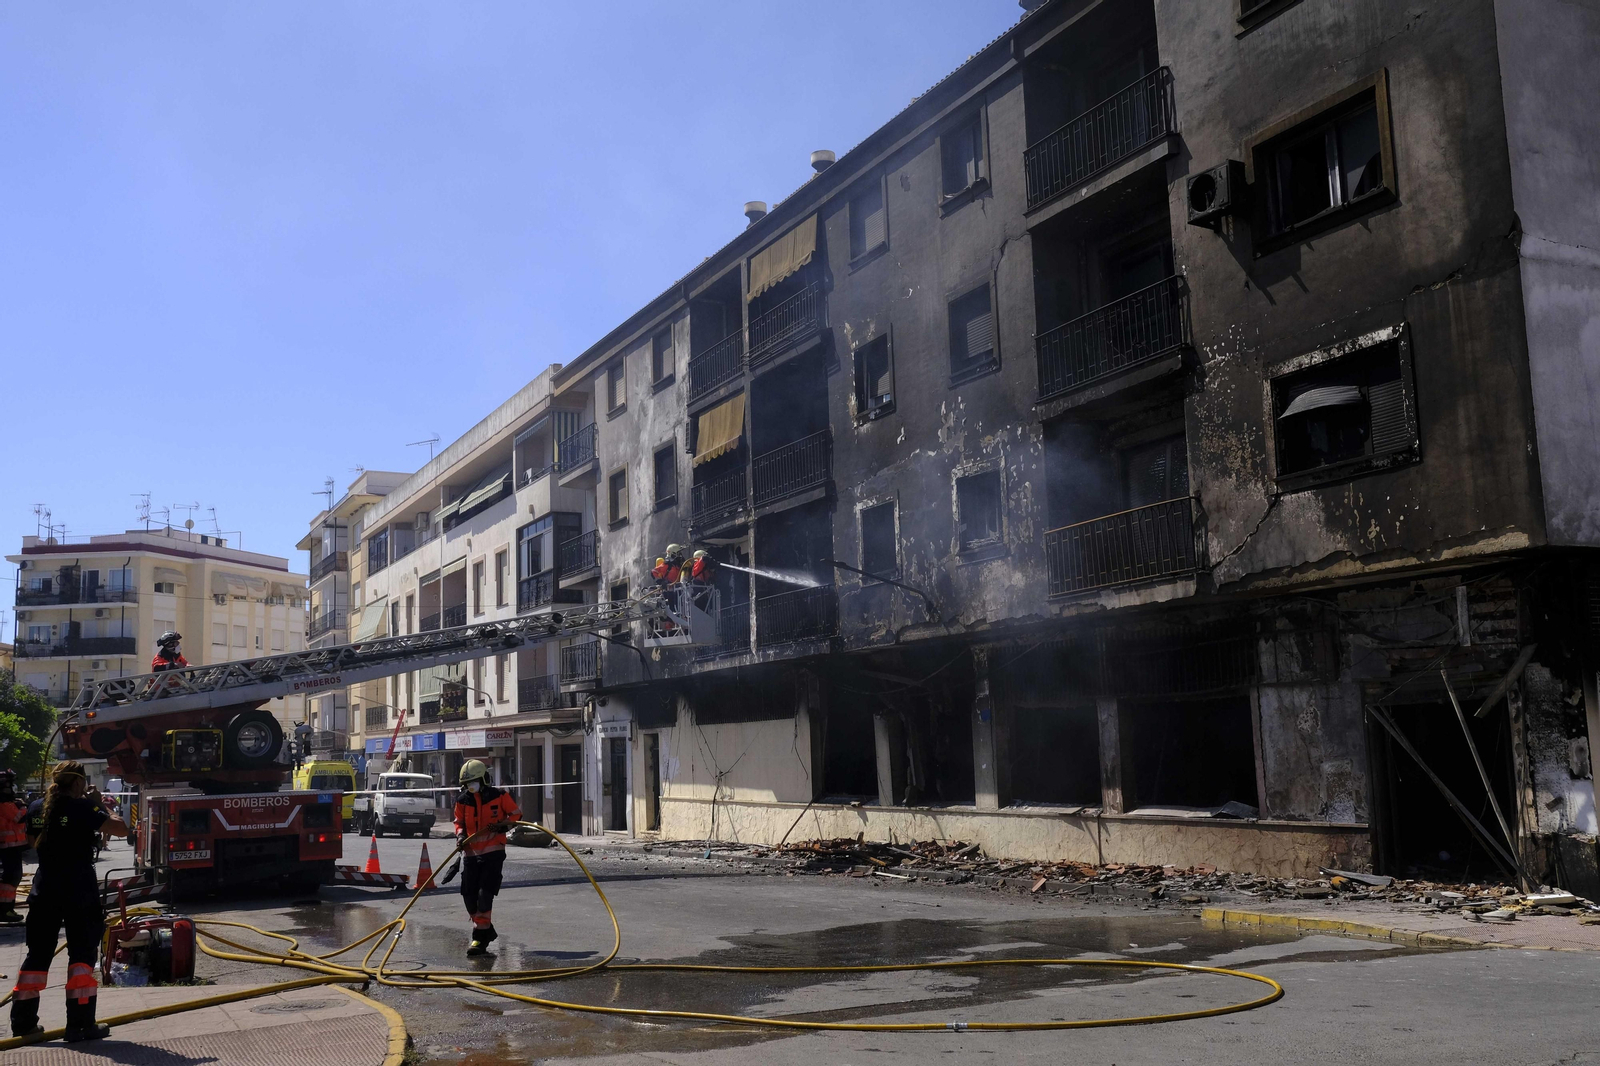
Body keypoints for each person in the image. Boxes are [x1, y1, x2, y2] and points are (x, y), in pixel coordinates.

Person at [11, 760, 129, 1042]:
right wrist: (101, 805)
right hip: (78, 889)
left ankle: (23, 1024)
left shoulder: (38, 807)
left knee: (37, 955)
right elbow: (122, 829)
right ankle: (79, 1025)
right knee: (81, 958)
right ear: (77, 782)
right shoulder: (85, 806)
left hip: (45, 888)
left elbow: (31, 841)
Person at [452, 759, 521, 957]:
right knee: (468, 895)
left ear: (483, 779)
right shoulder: (462, 800)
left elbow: (516, 815)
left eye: (473, 781)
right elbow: (459, 822)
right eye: (467, 784)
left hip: (493, 852)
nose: (470, 786)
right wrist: (460, 836)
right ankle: (487, 930)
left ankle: (479, 938)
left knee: (484, 895)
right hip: (471, 853)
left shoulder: (499, 796)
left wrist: (501, 825)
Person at [0, 771, 27, 924]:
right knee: (11, 878)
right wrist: (23, 806)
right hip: (8, 847)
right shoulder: (4, 804)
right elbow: (20, 817)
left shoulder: (6, 803)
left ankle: (6, 909)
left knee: (12, 877)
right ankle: (5, 910)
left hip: (11, 846)